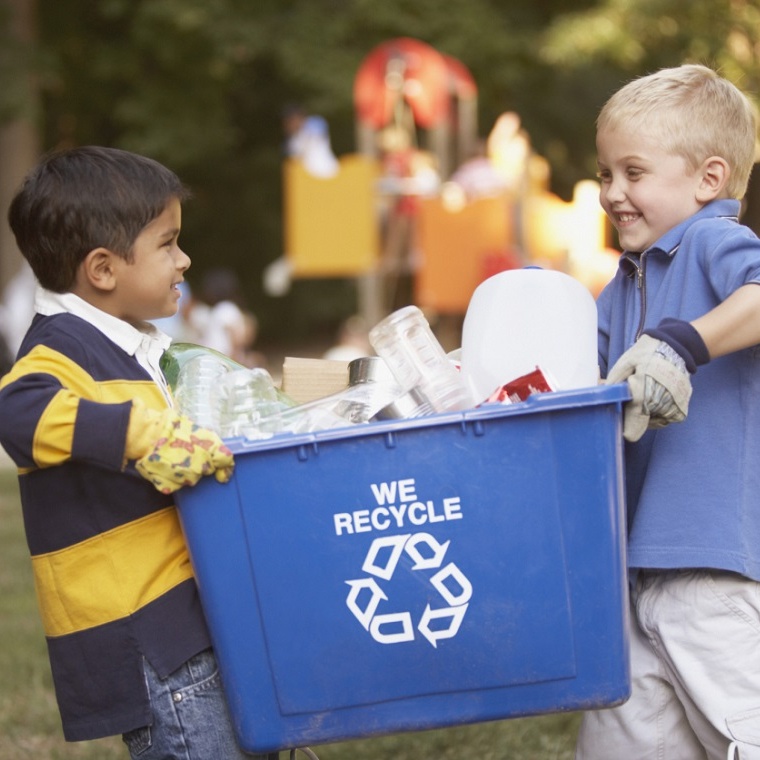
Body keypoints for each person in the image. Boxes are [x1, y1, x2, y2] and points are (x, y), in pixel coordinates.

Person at [0, 146, 267, 759]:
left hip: (180, 618)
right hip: (145, 633)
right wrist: (143, 435)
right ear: (102, 269)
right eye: (168, 244)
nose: (184, 259)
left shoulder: (131, 350)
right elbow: (18, 412)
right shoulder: (57, 353)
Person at [577, 64, 760, 759]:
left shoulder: (712, 244)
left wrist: (685, 342)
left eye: (633, 172)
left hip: (709, 564)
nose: (612, 194)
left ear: (708, 181)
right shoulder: (620, 285)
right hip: (630, 571)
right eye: (604, 174)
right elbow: (569, 383)